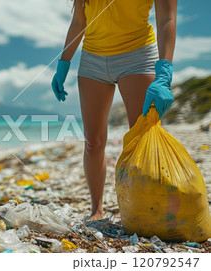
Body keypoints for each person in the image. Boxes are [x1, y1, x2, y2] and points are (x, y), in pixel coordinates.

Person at [51, 0, 177, 220]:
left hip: (137, 56)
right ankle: (96, 210)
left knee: (142, 139)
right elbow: (80, 20)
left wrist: (164, 71)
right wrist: (64, 63)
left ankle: (146, 208)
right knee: (93, 141)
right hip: (92, 60)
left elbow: (167, 17)